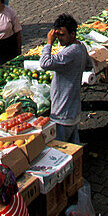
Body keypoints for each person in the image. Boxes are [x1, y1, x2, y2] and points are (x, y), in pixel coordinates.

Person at [39, 14, 91, 143]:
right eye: (57, 35)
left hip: (62, 112)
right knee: (74, 146)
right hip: (73, 109)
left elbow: (44, 63)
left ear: (72, 34)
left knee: (61, 148)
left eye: (62, 35)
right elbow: (89, 65)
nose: (58, 38)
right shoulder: (81, 46)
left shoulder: (70, 52)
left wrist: (49, 43)